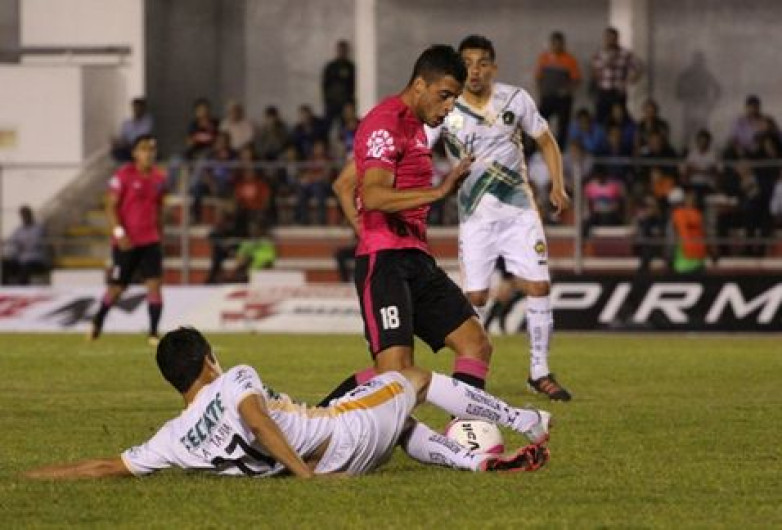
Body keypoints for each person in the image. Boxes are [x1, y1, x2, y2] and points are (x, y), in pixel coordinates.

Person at [25, 327, 551, 480]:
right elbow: (254, 418)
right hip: (339, 440)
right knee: (409, 376)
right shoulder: (234, 379)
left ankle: (473, 460)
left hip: (337, 456)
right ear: (209, 360)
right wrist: (305, 476)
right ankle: (529, 420)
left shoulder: (174, 437)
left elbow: (103, 466)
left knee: (398, 416)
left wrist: (28, 479)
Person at [323, 44, 492, 406]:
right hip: (385, 264)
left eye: (455, 100)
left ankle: (467, 436)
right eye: (444, 96)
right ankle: (313, 421)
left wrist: (365, 230)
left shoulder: (414, 128)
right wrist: (438, 192)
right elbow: (373, 196)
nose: (450, 107)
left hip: (416, 258)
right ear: (419, 85)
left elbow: (343, 185)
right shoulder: (384, 123)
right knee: (397, 376)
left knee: (475, 344)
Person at [436, 35, 572, 400]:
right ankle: (472, 374)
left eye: (482, 63)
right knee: (475, 297)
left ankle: (539, 372)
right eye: (467, 62)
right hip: (476, 219)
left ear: (493, 67)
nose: (474, 70)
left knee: (539, 286)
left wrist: (558, 186)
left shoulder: (516, 99)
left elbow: (546, 140)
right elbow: (416, 146)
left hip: (519, 213)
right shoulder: (446, 109)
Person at [89, 135, 167, 346]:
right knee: (117, 289)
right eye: (144, 149)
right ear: (135, 153)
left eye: (152, 149)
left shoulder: (159, 178)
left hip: (150, 239)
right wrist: (119, 233)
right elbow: (110, 205)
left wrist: (161, 234)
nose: (149, 153)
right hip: (127, 241)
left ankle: (153, 333)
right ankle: (98, 321)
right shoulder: (123, 175)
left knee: (154, 285)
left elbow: (159, 208)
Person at [535, 31, 581, 148]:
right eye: (554, 43)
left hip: (563, 99)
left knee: (563, 125)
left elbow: (576, 80)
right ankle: (540, 147)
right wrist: (541, 92)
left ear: (563, 44)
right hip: (547, 97)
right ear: (551, 44)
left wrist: (567, 91)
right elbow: (538, 78)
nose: (556, 46)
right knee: (541, 122)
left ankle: (560, 150)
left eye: (559, 44)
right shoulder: (544, 58)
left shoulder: (570, 60)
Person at [590, 27, 642, 123]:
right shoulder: (598, 54)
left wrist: (630, 80)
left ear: (617, 39)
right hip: (603, 91)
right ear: (604, 38)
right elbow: (594, 72)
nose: (610, 40)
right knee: (601, 117)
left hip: (618, 92)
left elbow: (639, 67)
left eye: (612, 38)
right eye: (608, 38)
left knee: (619, 118)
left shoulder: (625, 54)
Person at [1, 205, 49, 285]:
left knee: (25, 269)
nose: (24, 217)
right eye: (22, 215)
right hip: (20, 259)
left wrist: (20, 244)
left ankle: (22, 290)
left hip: (35, 259)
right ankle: (6, 288)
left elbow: (33, 243)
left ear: (30, 214)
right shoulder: (19, 229)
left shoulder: (38, 228)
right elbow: (11, 241)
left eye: (26, 214)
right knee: (4, 264)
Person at [322, 40, 356, 134]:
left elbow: (353, 86)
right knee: (327, 126)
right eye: (340, 50)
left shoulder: (350, 67)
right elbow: (325, 85)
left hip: (345, 103)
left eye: (344, 50)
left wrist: (350, 103)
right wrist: (328, 100)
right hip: (332, 103)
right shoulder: (331, 67)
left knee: (345, 127)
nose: (342, 52)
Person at [111, 98, 154, 163]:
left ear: (143, 109)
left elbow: (143, 136)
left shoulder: (148, 121)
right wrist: (117, 142)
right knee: (117, 150)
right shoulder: (127, 123)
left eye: (139, 108)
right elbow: (123, 137)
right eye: (135, 107)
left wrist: (129, 143)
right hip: (129, 148)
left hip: (140, 147)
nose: (137, 110)